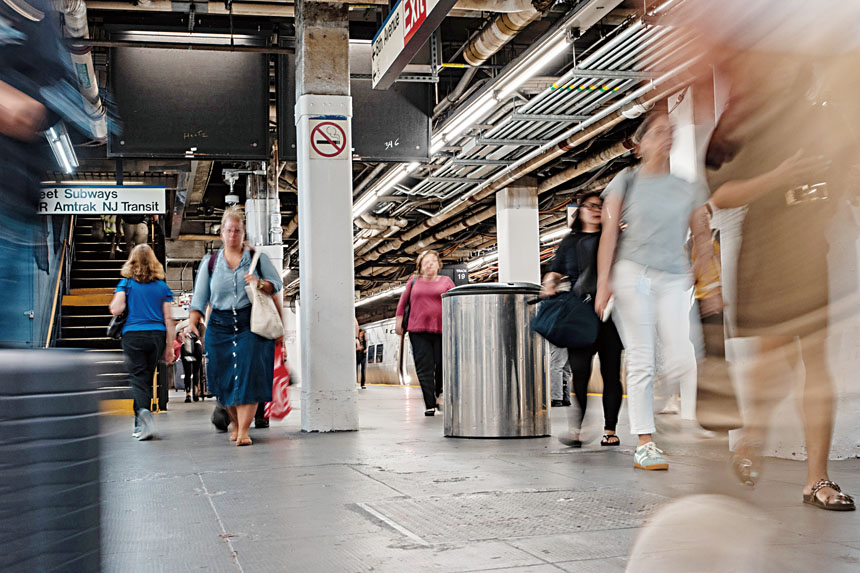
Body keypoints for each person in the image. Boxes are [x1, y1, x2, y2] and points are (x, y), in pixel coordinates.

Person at [705, 55, 855, 510]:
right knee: (772, 357)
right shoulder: (742, 122)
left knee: (815, 360)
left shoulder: (827, 116)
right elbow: (720, 195)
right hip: (764, 248)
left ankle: (817, 480)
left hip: (811, 246)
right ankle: (751, 438)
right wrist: (778, 177)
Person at [595, 111, 720, 470]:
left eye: (672, 132)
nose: (668, 137)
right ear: (641, 144)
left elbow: (701, 238)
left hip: (674, 276)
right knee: (641, 357)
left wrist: (708, 284)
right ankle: (645, 442)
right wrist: (604, 282)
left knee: (682, 355)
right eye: (659, 132)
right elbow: (609, 234)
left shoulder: (688, 187)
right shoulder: (625, 181)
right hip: (632, 273)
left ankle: (673, 407)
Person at [186, 206, 283, 446]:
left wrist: (260, 284)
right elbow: (200, 297)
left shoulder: (257, 258)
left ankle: (244, 431)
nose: (232, 235)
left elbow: (276, 285)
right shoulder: (210, 263)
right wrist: (192, 322)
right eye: (228, 231)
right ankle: (237, 424)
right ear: (221, 233)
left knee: (249, 374)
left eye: (237, 231)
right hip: (219, 324)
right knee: (222, 377)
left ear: (243, 233)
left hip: (250, 322)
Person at [542, 191, 625, 447]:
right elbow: (555, 270)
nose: (595, 209)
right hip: (580, 312)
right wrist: (549, 283)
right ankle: (577, 427)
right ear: (580, 211)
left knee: (611, 373)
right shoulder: (571, 241)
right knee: (579, 371)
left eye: (600, 206)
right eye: (590, 206)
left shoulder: (615, 238)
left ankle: (610, 430)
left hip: (611, 313)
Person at [109, 244, 175, 441]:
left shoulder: (126, 284)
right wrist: (170, 347)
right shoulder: (162, 287)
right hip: (157, 336)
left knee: (137, 377)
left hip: (133, 335)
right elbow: (169, 319)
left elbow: (116, 309)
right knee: (146, 377)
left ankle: (143, 415)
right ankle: (140, 422)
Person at [395, 250, 455, 416]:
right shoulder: (414, 281)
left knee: (442, 364)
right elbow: (403, 303)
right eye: (426, 262)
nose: (430, 264)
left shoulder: (447, 281)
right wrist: (398, 322)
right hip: (418, 330)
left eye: (433, 261)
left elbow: (455, 301)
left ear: (438, 265)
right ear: (420, 266)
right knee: (424, 367)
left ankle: (437, 393)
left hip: (442, 330)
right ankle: (429, 404)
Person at [548, 343, 571, 408]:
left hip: (558, 340)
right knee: (565, 370)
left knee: (556, 368)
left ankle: (556, 398)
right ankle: (565, 398)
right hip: (567, 340)